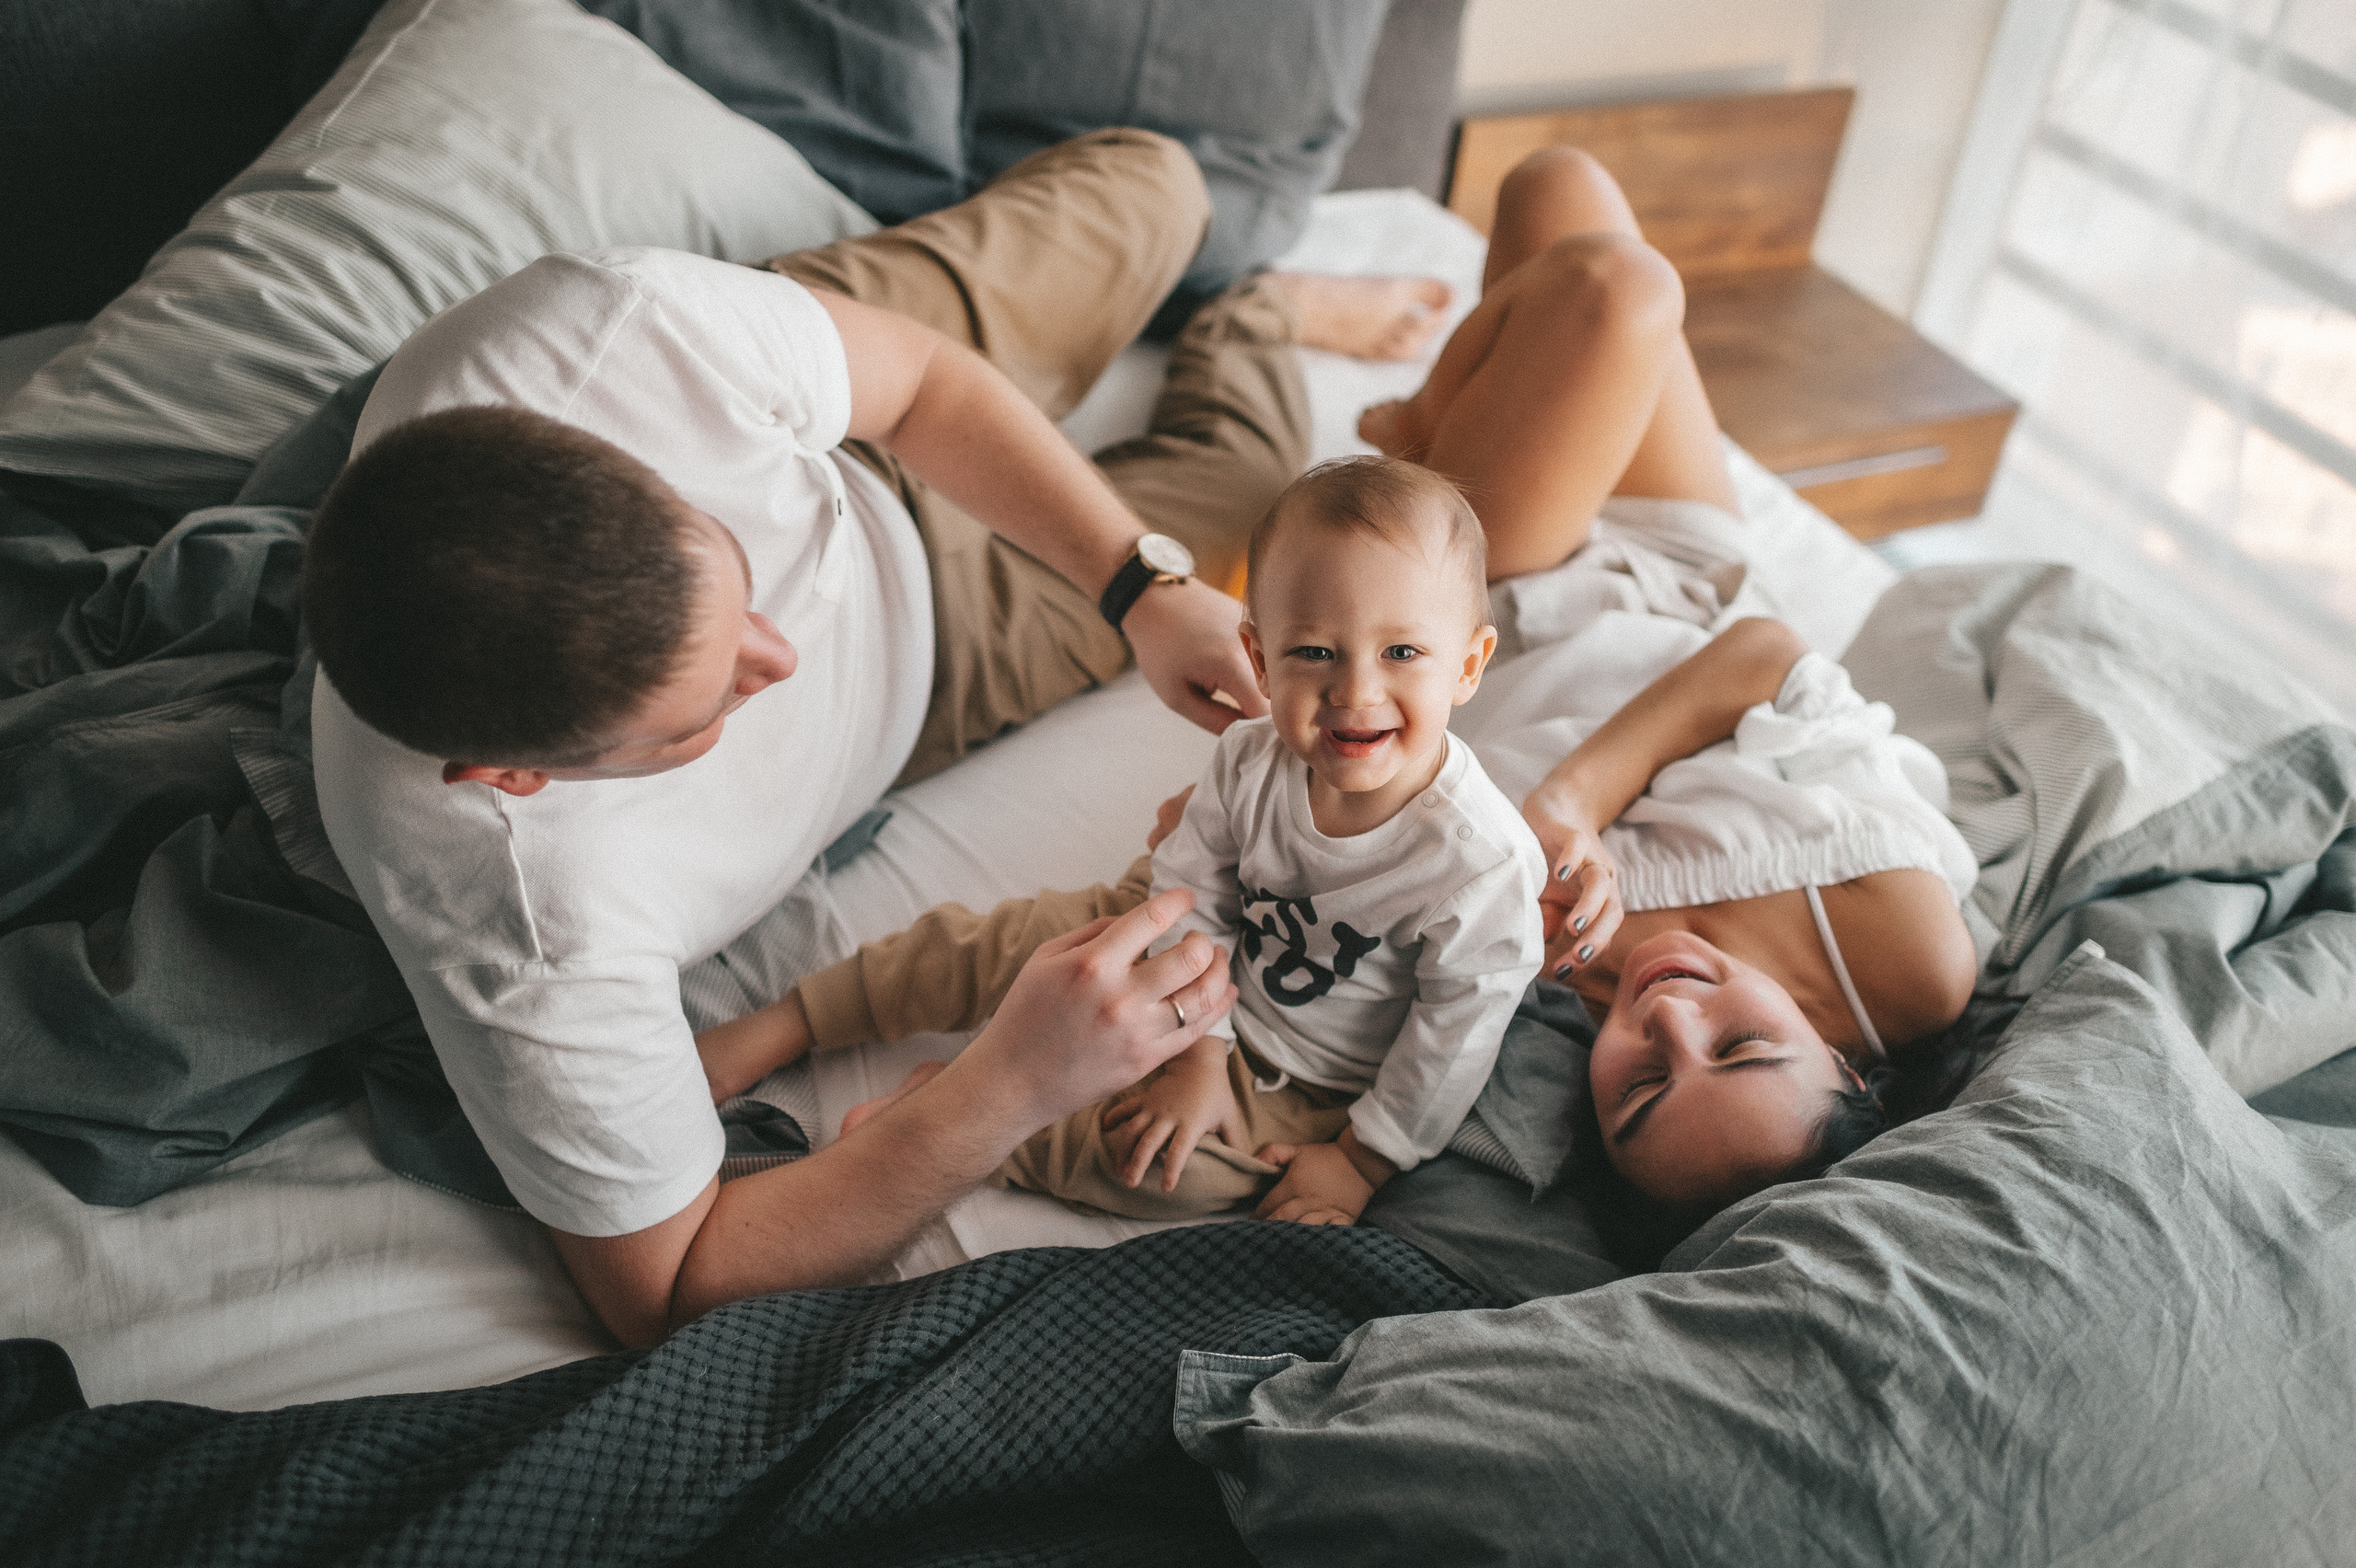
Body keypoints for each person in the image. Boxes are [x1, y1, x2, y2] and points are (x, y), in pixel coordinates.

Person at [700, 145, 1981, 1239]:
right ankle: (1419, 432)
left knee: (1609, 282)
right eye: (1744, 1043)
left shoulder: (1541, 1008)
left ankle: (1446, 448)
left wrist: (1236, 854)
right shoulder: (1911, 966)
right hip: (1677, 601)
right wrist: (1576, 804)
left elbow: (1347, 918)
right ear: (1845, 1062)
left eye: (1645, 1089)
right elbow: (1761, 655)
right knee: (1573, 208)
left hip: (1504, 591)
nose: (1672, 1019)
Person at [299, 130, 1424, 1347]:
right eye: (715, 703)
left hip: (859, 438)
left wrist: (1139, 588)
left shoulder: (610, 338)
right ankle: (1262, 307)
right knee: (1255, 477)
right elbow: (667, 1291)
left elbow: (924, 383)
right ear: (517, 778)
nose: (787, 656)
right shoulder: (521, 922)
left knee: (1161, 181)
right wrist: (1010, 1087)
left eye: (735, 578)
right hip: (955, 642)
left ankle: (1188, 289)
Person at [1000, 457, 1543, 1226]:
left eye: (1401, 653)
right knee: (1014, 942)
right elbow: (1194, 891)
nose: (1356, 692)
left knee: (1179, 1172)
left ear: (1468, 665)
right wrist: (1200, 1051)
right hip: (1198, 979)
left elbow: (1453, 1040)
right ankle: (828, 1006)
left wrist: (1361, 1160)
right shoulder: (1251, 759)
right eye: (1315, 652)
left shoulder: (1482, 863)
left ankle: (976, 1135)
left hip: (1309, 1078)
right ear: (1260, 659)